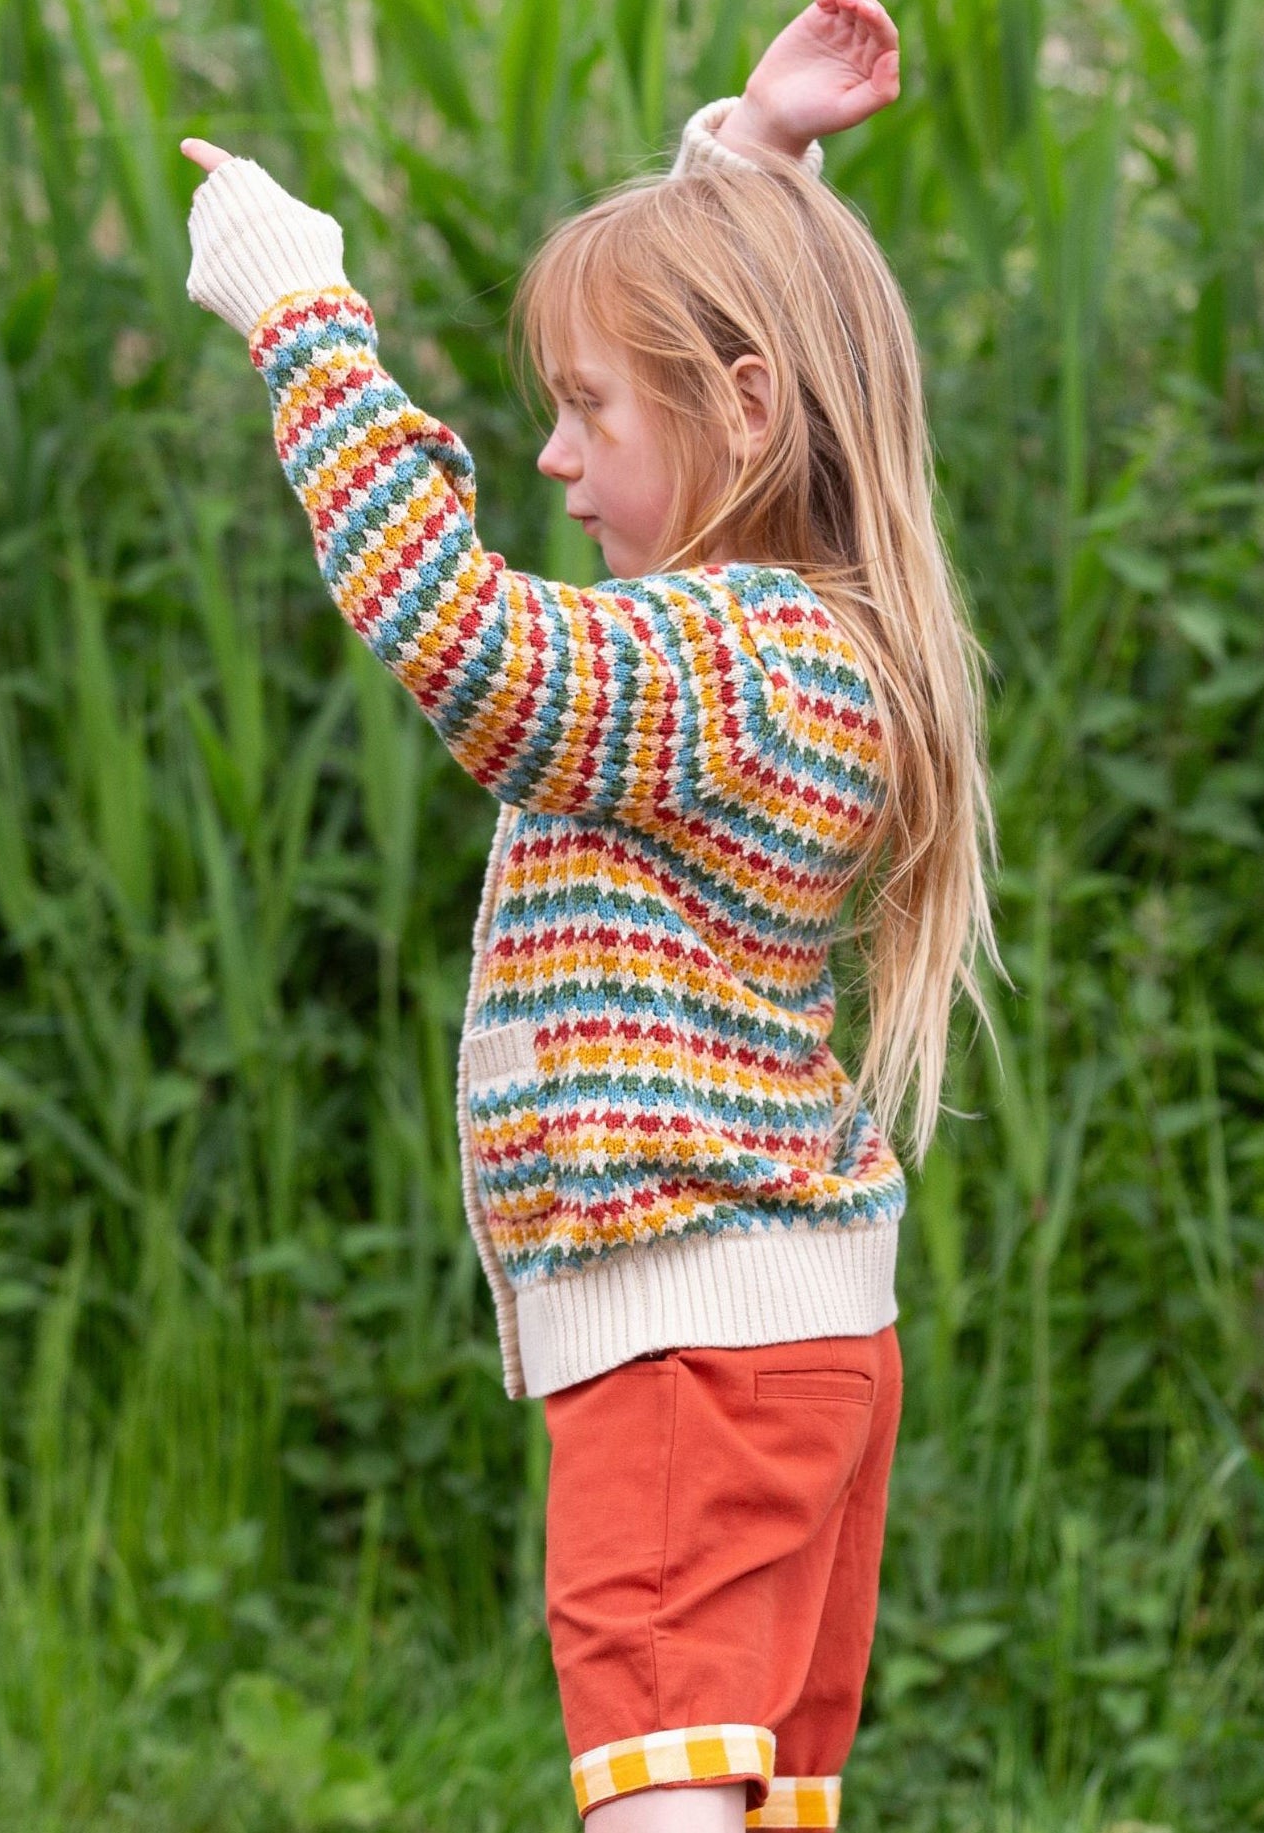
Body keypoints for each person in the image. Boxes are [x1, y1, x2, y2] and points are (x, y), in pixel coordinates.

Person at [180, 3, 994, 1826]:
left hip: (691, 1343)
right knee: (745, 1789)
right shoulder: (802, 643)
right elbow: (735, 351)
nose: (553, 457)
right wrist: (751, 163)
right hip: (789, 1337)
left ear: (749, 412)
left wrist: (303, 323)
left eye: (587, 408)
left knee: (662, 1797)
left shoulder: (736, 660)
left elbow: (462, 635)